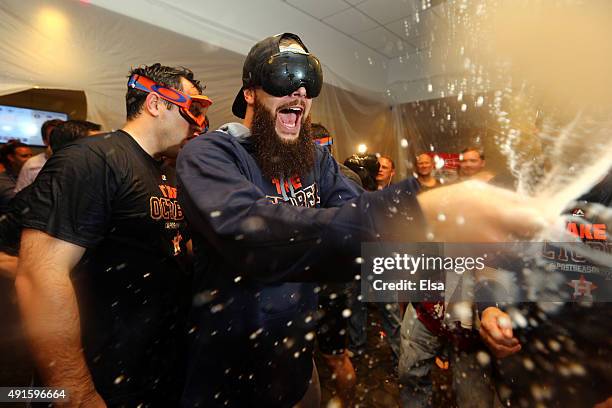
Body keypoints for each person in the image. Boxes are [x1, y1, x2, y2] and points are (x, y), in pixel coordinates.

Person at [177, 32, 550, 408]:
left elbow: (379, 237)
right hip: (229, 381)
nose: (301, 92)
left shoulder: (316, 163)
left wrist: (483, 303)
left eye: (311, 80)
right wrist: (419, 204)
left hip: (297, 370)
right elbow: (252, 233)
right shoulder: (208, 155)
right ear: (250, 92)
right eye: (285, 76)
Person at [15, 63, 212, 407]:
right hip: (102, 378)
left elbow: (171, 246)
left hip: (153, 372)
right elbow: (39, 276)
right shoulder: (92, 160)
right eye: (192, 109)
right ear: (155, 103)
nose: (198, 123)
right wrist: (75, 390)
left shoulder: (167, 172)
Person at [14, 119, 63, 193]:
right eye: (53, 135)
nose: (58, 139)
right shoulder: (32, 164)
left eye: (62, 135)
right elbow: (19, 195)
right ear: (45, 141)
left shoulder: (79, 161)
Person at [0, 140, 32, 213]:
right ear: (11, 157)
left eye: (31, 155)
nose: (30, 159)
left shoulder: (34, 175)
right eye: (24, 156)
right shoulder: (2, 181)